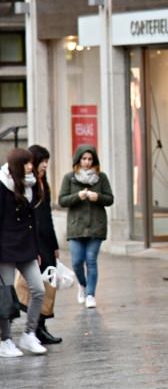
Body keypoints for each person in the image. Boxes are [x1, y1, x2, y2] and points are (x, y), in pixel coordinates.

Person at [0, 148, 48, 357]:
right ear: (17, 165)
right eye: (27, 163)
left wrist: (37, 249)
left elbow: (33, 221)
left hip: (27, 247)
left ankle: (29, 334)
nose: (31, 166)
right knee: (6, 296)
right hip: (6, 248)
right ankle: (5, 340)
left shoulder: (31, 185)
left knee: (39, 290)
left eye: (31, 162)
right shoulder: (2, 186)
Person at [58, 144, 114, 310]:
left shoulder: (101, 178)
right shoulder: (70, 178)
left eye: (90, 159)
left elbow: (110, 199)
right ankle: (82, 285)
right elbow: (62, 200)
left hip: (96, 225)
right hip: (76, 227)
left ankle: (90, 294)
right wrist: (78, 196)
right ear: (78, 160)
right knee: (76, 262)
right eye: (84, 159)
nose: (87, 162)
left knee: (91, 260)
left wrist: (98, 197)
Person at [29, 145, 62, 344]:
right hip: (33, 240)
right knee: (36, 286)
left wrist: (55, 244)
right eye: (42, 161)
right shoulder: (28, 185)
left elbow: (47, 215)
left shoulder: (43, 183)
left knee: (49, 282)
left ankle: (41, 325)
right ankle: (33, 329)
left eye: (47, 162)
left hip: (46, 240)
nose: (45, 165)